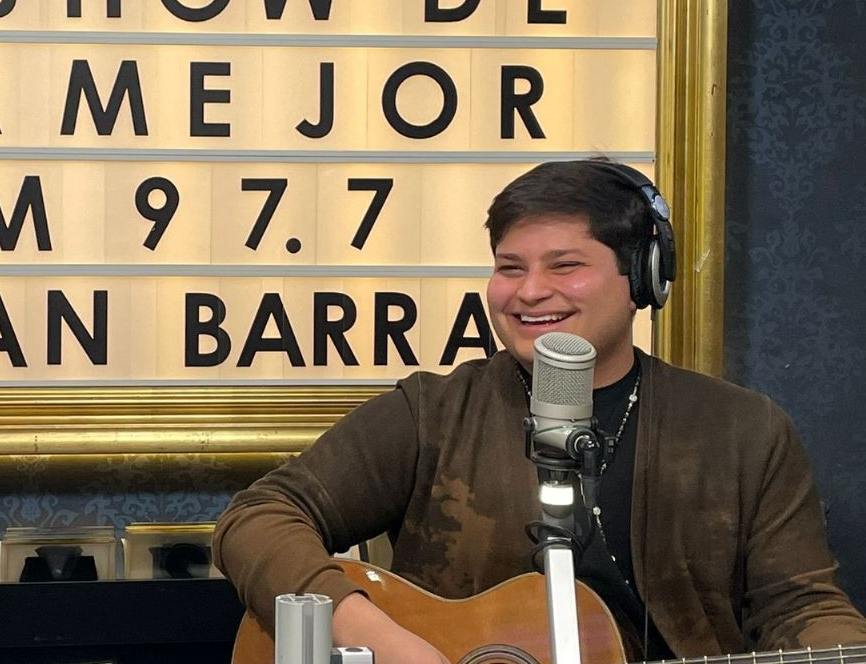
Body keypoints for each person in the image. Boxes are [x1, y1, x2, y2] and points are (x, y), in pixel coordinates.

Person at [211, 160, 866, 664]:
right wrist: (383, 638)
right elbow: (257, 518)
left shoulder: (743, 431)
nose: (528, 292)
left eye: (565, 265)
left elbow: (802, 608)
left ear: (641, 278)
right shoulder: (432, 412)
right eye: (510, 267)